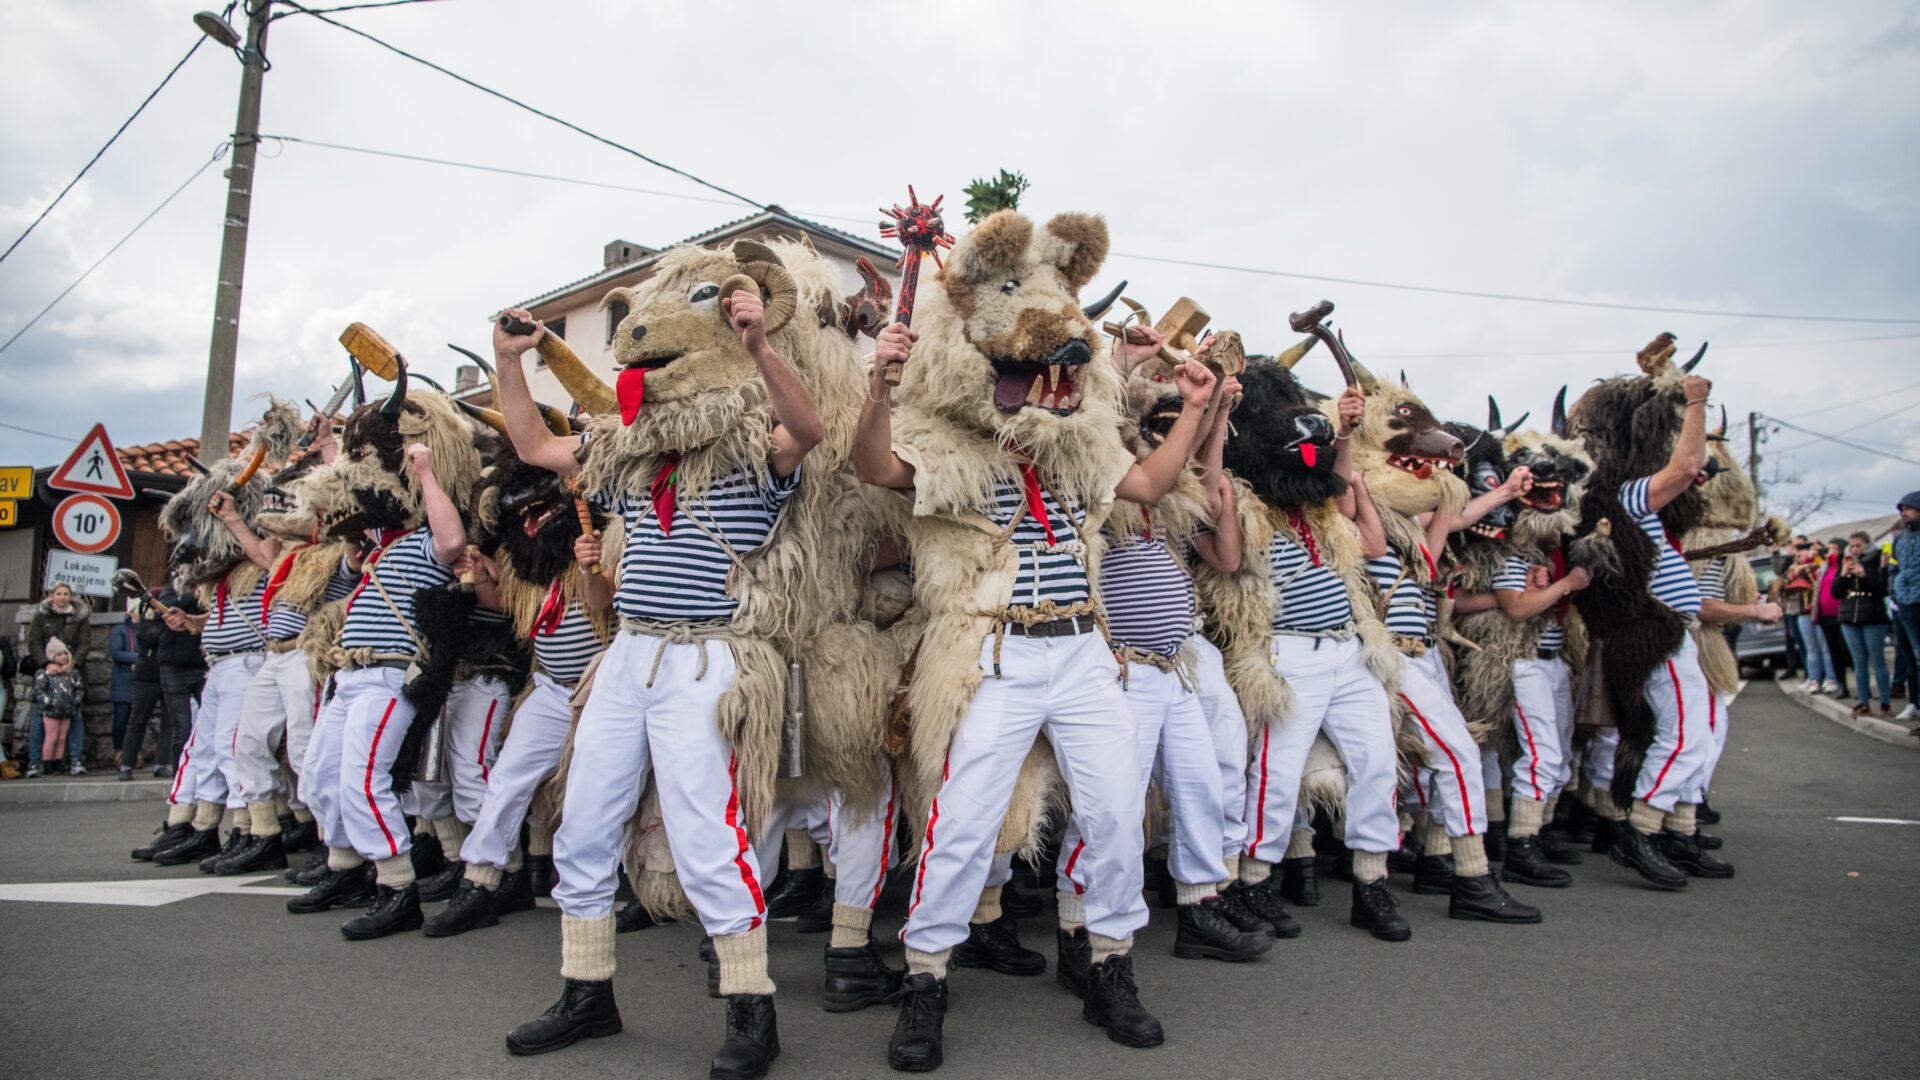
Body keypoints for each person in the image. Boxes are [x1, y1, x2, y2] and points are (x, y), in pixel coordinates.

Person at [24, 582, 92, 775]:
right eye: (58, 593)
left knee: (76, 717)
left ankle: (75, 760)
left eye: (66, 593)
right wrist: (47, 663)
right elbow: (34, 642)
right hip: (48, 674)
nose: (62, 597)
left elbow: (85, 643)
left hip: (72, 673)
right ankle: (35, 762)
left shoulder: (80, 618)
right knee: (40, 717)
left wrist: (73, 663)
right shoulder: (41, 617)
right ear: (52, 596)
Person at [1832, 531, 1891, 718]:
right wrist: (1843, 574)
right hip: (1849, 616)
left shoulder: (1877, 560)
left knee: (1877, 659)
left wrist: (1864, 574)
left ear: (1867, 545)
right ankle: (1863, 701)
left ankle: (1885, 702)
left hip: (1872, 616)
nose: (1855, 549)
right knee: (1859, 661)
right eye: (1852, 546)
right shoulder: (1846, 561)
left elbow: (1882, 588)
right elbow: (1836, 592)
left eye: (1859, 545)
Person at [118, 607, 164, 780]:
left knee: (169, 722)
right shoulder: (146, 624)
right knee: (137, 720)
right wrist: (154, 619)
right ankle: (126, 764)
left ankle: (161, 763)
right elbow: (153, 637)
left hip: (167, 673)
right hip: (147, 675)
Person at [31, 639, 86, 776]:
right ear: (51, 657)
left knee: (62, 737)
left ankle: (59, 760)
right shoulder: (44, 674)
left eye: (64, 653)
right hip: (51, 711)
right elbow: (39, 690)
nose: (63, 657)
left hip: (67, 709)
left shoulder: (72, 673)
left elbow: (79, 688)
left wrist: (76, 700)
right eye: (59, 654)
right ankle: (47, 762)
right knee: (51, 736)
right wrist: (48, 701)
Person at [1889, 494, 1920, 724]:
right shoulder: (1899, 539)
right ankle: (1914, 703)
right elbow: (1893, 569)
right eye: (1902, 509)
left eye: (1909, 508)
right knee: (1909, 656)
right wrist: (1895, 594)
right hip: (1904, 603)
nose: (1904, 513)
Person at [1817, 539, 1852, 696]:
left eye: (1834, 548)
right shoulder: (1824, 567)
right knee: (1834, 652)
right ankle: (1841, 684)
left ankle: (1860, 685)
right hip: (1825, 615)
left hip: (1843, 614)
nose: (1830, 551)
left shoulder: (1844, 566)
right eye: (1829, 548)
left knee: (1847, 650)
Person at [109, 608, 140, 769]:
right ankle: (120, 752)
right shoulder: (120, 630)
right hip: (123, 680)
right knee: (121, 719)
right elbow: (116, 652)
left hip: (140, 681)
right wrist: (137, 659)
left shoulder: (146, 629)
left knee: (137, 720)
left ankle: (135, 753)